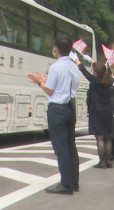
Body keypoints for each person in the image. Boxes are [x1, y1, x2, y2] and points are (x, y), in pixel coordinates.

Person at [27, 35, 80, 194]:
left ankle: (65, 184)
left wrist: (39, 82)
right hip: (71, 108)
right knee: (70, 145)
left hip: (57, 109)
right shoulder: (74, 67)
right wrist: (45, 80)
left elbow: (50, 90)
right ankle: (74, 182)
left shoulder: (55, 67)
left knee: (61, 147)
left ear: (56, 49)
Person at [74, 57, 112, 168]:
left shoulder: (95, 81)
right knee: (108, 138)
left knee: (100, 138)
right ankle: (108, 160)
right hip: (108, 111)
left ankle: (102, 162)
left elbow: (85, 73)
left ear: (95, 72)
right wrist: (93, 62)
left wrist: (78, 62)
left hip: (97, 111)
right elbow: (102, 70)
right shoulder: (109, 81)